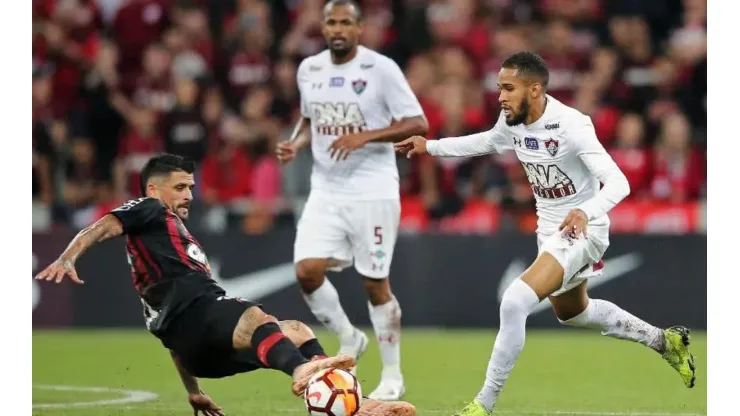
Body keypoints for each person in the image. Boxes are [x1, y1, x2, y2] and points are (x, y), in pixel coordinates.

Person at [394, 52, 696, 416]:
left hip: (584, 228)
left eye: (509, 88)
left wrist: (586, 211)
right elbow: (488, 141)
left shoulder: (572, 125)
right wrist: (431, 146)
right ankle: (664, 341)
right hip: (549, 230)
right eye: (499, 88)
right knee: (574, 313)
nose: (501, 96)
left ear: (534, 89)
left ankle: (482, 405)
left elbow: (619, 181)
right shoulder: (512, 120)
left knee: (514, 301)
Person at [34, 154, 416, 416]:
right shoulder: (148, 209)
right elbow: (102, 226)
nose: (189, 195)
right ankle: (303, 374)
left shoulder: (166, 249)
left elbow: (174, 338)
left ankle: (356, 403)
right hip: (200, 322)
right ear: (154, 190)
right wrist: (69, 256)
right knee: (253, 317)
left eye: (191, 187)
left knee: (296, 331)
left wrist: (192, 390)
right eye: (181, 187)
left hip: (198, 348)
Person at [276, 0, 428, 401]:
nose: (337, 28)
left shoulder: (381, 69)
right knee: (306, 271)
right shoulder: (309, 69)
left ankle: (393, 373)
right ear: (322, 28)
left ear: (360, 28)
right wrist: (296, 142)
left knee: (375, 283)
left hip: (372, 188)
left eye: (346, 22)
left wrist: (365, 135)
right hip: (325, 188)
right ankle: (348, 337)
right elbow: (310, 118)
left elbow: (418, 123)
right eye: (331, 22)